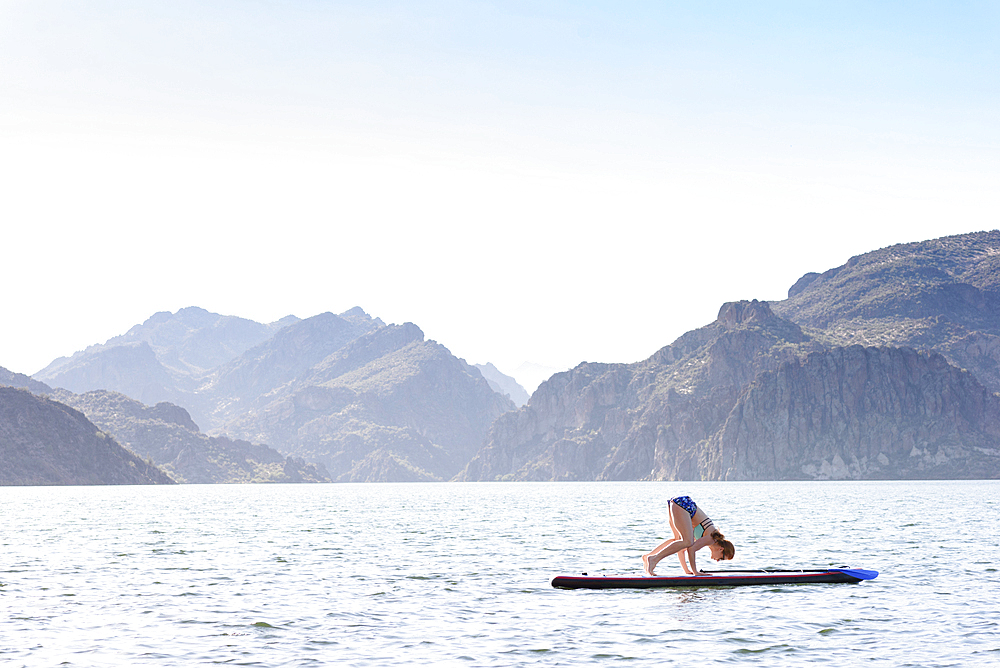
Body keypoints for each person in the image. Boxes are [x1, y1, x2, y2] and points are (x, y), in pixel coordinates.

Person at [642, 495, 735, 576]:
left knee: (679, 541)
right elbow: (691, 549)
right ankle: (654, 559)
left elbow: (682, 549)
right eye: (721, 558)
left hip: (678, 503)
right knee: (687, 542)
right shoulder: (712, 539)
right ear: (721, 549)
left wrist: (686, 570)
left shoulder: (708, 538)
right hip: (683, 505)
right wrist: (695, 572)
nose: (718, 561)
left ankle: (649, 557)